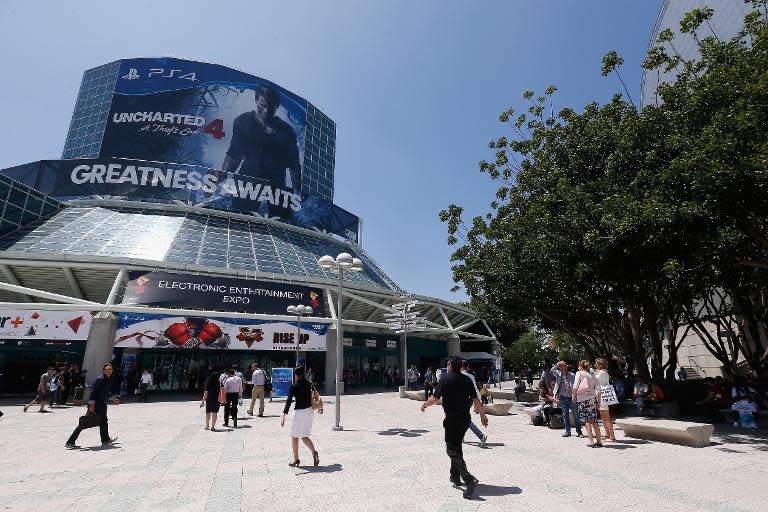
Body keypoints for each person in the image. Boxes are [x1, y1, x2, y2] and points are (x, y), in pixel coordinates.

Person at [421, 355, 489, 500]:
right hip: (465, 419)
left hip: (452, 419)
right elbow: (476, 399)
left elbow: (435, 398)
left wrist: (424, 405)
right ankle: (455, 477)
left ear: (451, 365)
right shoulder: (467, 379)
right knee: (457, 447)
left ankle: (469, 479)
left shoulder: (445, 378)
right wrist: (483, 415)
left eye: (448, 363)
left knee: (451, 449)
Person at [222, 85, 302, 196]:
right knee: (238, 211)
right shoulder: (243, 121)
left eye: (271, 107)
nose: (266, 110)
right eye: (262, 105)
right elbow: (234, 154)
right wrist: (223, 175)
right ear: (256, 100)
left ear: (277, 106)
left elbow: (294, 166)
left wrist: (297, 192)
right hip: (246, 183)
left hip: (276, 188)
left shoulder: (287, 132)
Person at [66, 364, 119, 448]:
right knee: (84, 423)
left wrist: (113, 398)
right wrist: (91, 404)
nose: (110, 370)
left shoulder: (107, 379)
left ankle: (106, 439)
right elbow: (93, 392)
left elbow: (105, 392)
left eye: (111, 369)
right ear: (104, 370)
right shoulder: (100, 379)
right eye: (108, 369)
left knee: (104, 421)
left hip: (102, 404)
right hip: (95, 404)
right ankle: (70, 442)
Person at [281, 366, 320, 467]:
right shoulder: (309, 383)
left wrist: (284, 413)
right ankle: (314, 451)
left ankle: (296, 459)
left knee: (294, 436)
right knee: (304, 436)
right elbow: (316, 395)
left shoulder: (294, 386)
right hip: (309, 411)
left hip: (299, 413)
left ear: (296, 375)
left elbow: (289, 400)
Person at [573, 360, 602, 447]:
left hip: (582, 399)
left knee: (587, 421)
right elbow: (599, 389)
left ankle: (591, 441)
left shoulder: (579, 373)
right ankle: (599, 441)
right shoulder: (592, 375)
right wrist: (598, 400)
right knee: (594, 420)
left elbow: (575, 386)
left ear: (581, 366)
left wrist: (573, 396)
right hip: (592, 399)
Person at [460, 361, 488, 447]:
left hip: (461, 401)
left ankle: (481, 436)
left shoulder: (459, 375)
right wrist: (478, 401)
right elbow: (475, 390)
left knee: (465, 419)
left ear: (461, 366)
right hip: (469, 400)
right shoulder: (471, 376)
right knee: (463, 418)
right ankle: (461, 437)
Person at [551, 361, 583, 438]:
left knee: (576, 415)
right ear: (560, 367)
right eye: (563, 366)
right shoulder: (558, 374)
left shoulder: (572, 375)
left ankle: (579, 432)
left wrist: (575, 395)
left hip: (571, 397)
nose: (565, 367)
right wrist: (558, 363)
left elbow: (577, 384)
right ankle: (567, 431)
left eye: (566, 365)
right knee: (565, 415)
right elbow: (552, 370)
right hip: (562, 398)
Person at [594, 358, 616, 441]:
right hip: (600, 395)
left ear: (600, 364)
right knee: (603, 416)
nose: (595, 365)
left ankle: (612, 436)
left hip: (603, 395)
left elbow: (594, 380)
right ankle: (607, 434)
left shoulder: (602, 373)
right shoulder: (600, 372)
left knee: (606, 417)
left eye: (596, 363)